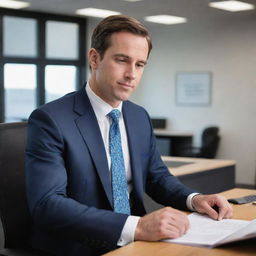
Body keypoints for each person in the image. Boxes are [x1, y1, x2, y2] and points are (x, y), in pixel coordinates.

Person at [25, 15, 233, 256]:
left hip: (136, 244)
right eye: (122, 60)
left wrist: (193, 199)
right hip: (78, 247)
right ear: (95, 58)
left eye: (140, 64)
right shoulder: (51, 119)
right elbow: (48, 205)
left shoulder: (138, 116)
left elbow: (157, 177)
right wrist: (138, 226)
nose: (131, 74)